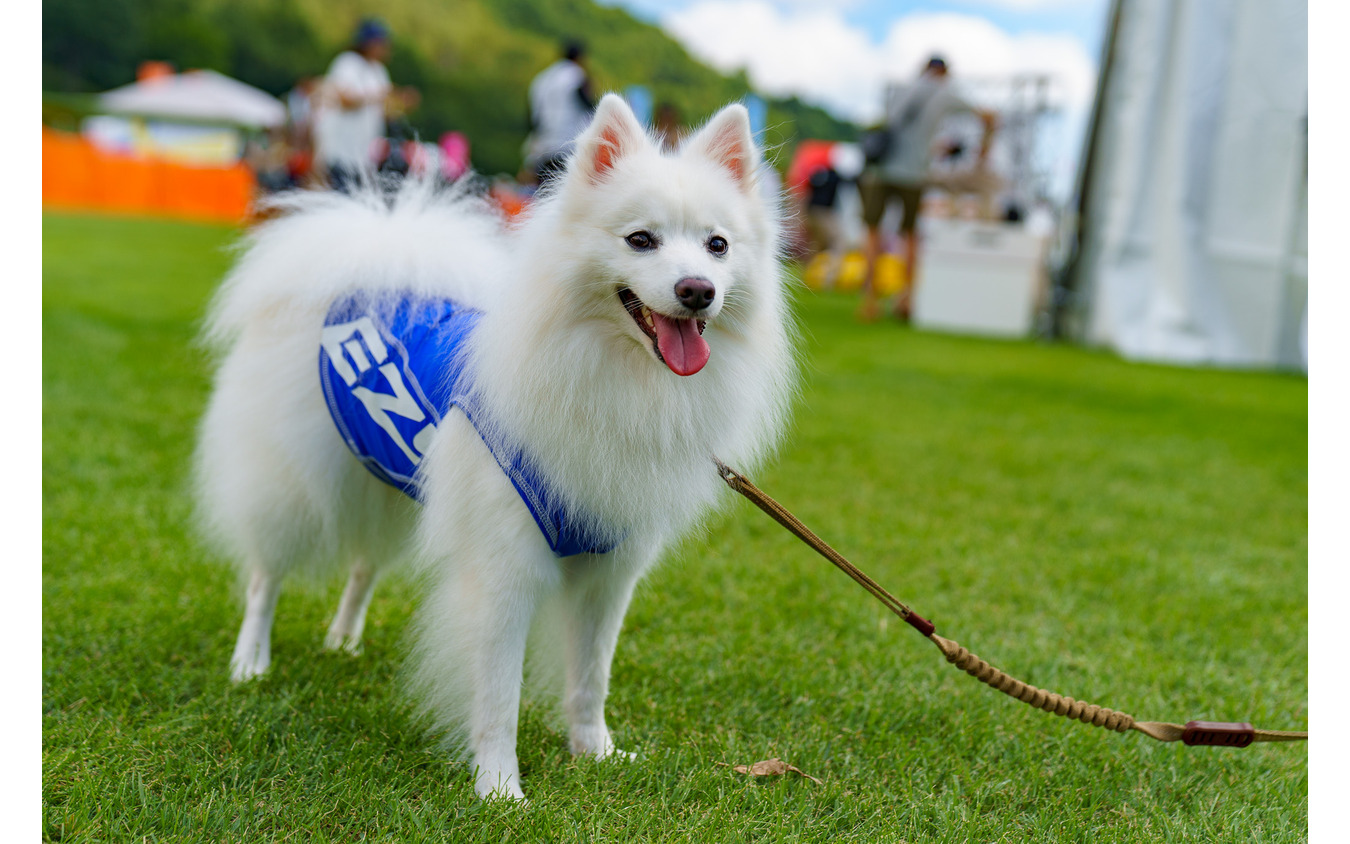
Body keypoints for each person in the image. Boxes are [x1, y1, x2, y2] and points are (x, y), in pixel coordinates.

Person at [858, 56, 996, 322]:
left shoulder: (898, 89)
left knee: (873, 232)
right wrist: (983, 149)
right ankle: (906, 298)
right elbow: (987, 115)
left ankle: (870, 301)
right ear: (945, 73)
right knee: (910, 235)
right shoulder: (946, 93)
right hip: (914, 174)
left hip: (880, 169)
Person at [311, 18, 419, 192]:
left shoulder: (379, 71)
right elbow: (344, 100)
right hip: (340, 150)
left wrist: (403, 102)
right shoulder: (347, 63)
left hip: (363, 156)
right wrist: (377, 96)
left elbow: (386, 111)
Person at [523, 41, 595, 187]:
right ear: (580, 57)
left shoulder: (542, 78)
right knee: (562, 190)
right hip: (567, 142)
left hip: (543, 145)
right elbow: (586, 104)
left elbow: (534, 116)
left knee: (543, 191)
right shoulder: (575, 75)